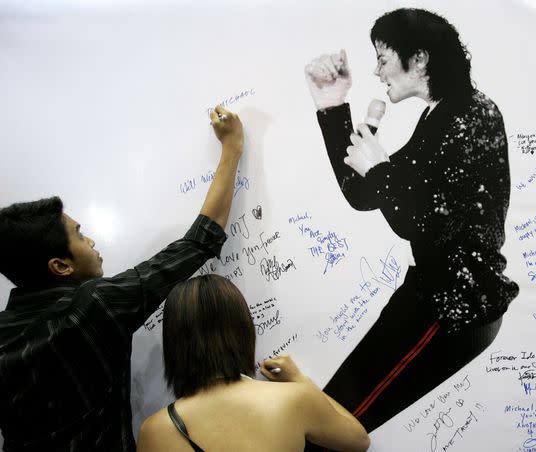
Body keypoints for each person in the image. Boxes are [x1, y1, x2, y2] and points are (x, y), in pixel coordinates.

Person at [304, 8, 519, 433]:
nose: (377, 71)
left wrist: (382, 169)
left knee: (333, 425)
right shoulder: (441, 115)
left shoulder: (472, 117)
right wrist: (332, 103)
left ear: (418, 58)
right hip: (438, 298)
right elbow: (363, 194)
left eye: (383, 58)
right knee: (330, 419)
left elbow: (421, 224)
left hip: (452, 309)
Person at [0, 106, 243, 451]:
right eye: (80, 235)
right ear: (60, 266)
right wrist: (232, 146)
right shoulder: (91, 309)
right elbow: (199, 241)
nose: (91, 242)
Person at [136, 274, 370, 452]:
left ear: (174, 344)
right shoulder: (294, 397)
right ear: (244, 331)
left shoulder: (154, 431)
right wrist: (300, 380)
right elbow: (358, 440)